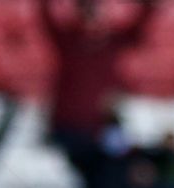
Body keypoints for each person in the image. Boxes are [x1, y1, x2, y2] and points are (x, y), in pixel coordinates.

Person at [39, 0, 159, 158]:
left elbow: (141, 25)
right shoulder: (68, 40)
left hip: (99, 127)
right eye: (86, 8)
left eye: (95, 8)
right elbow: (45, 18)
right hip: (67, 124)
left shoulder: (113, 41)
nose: (92, 14)